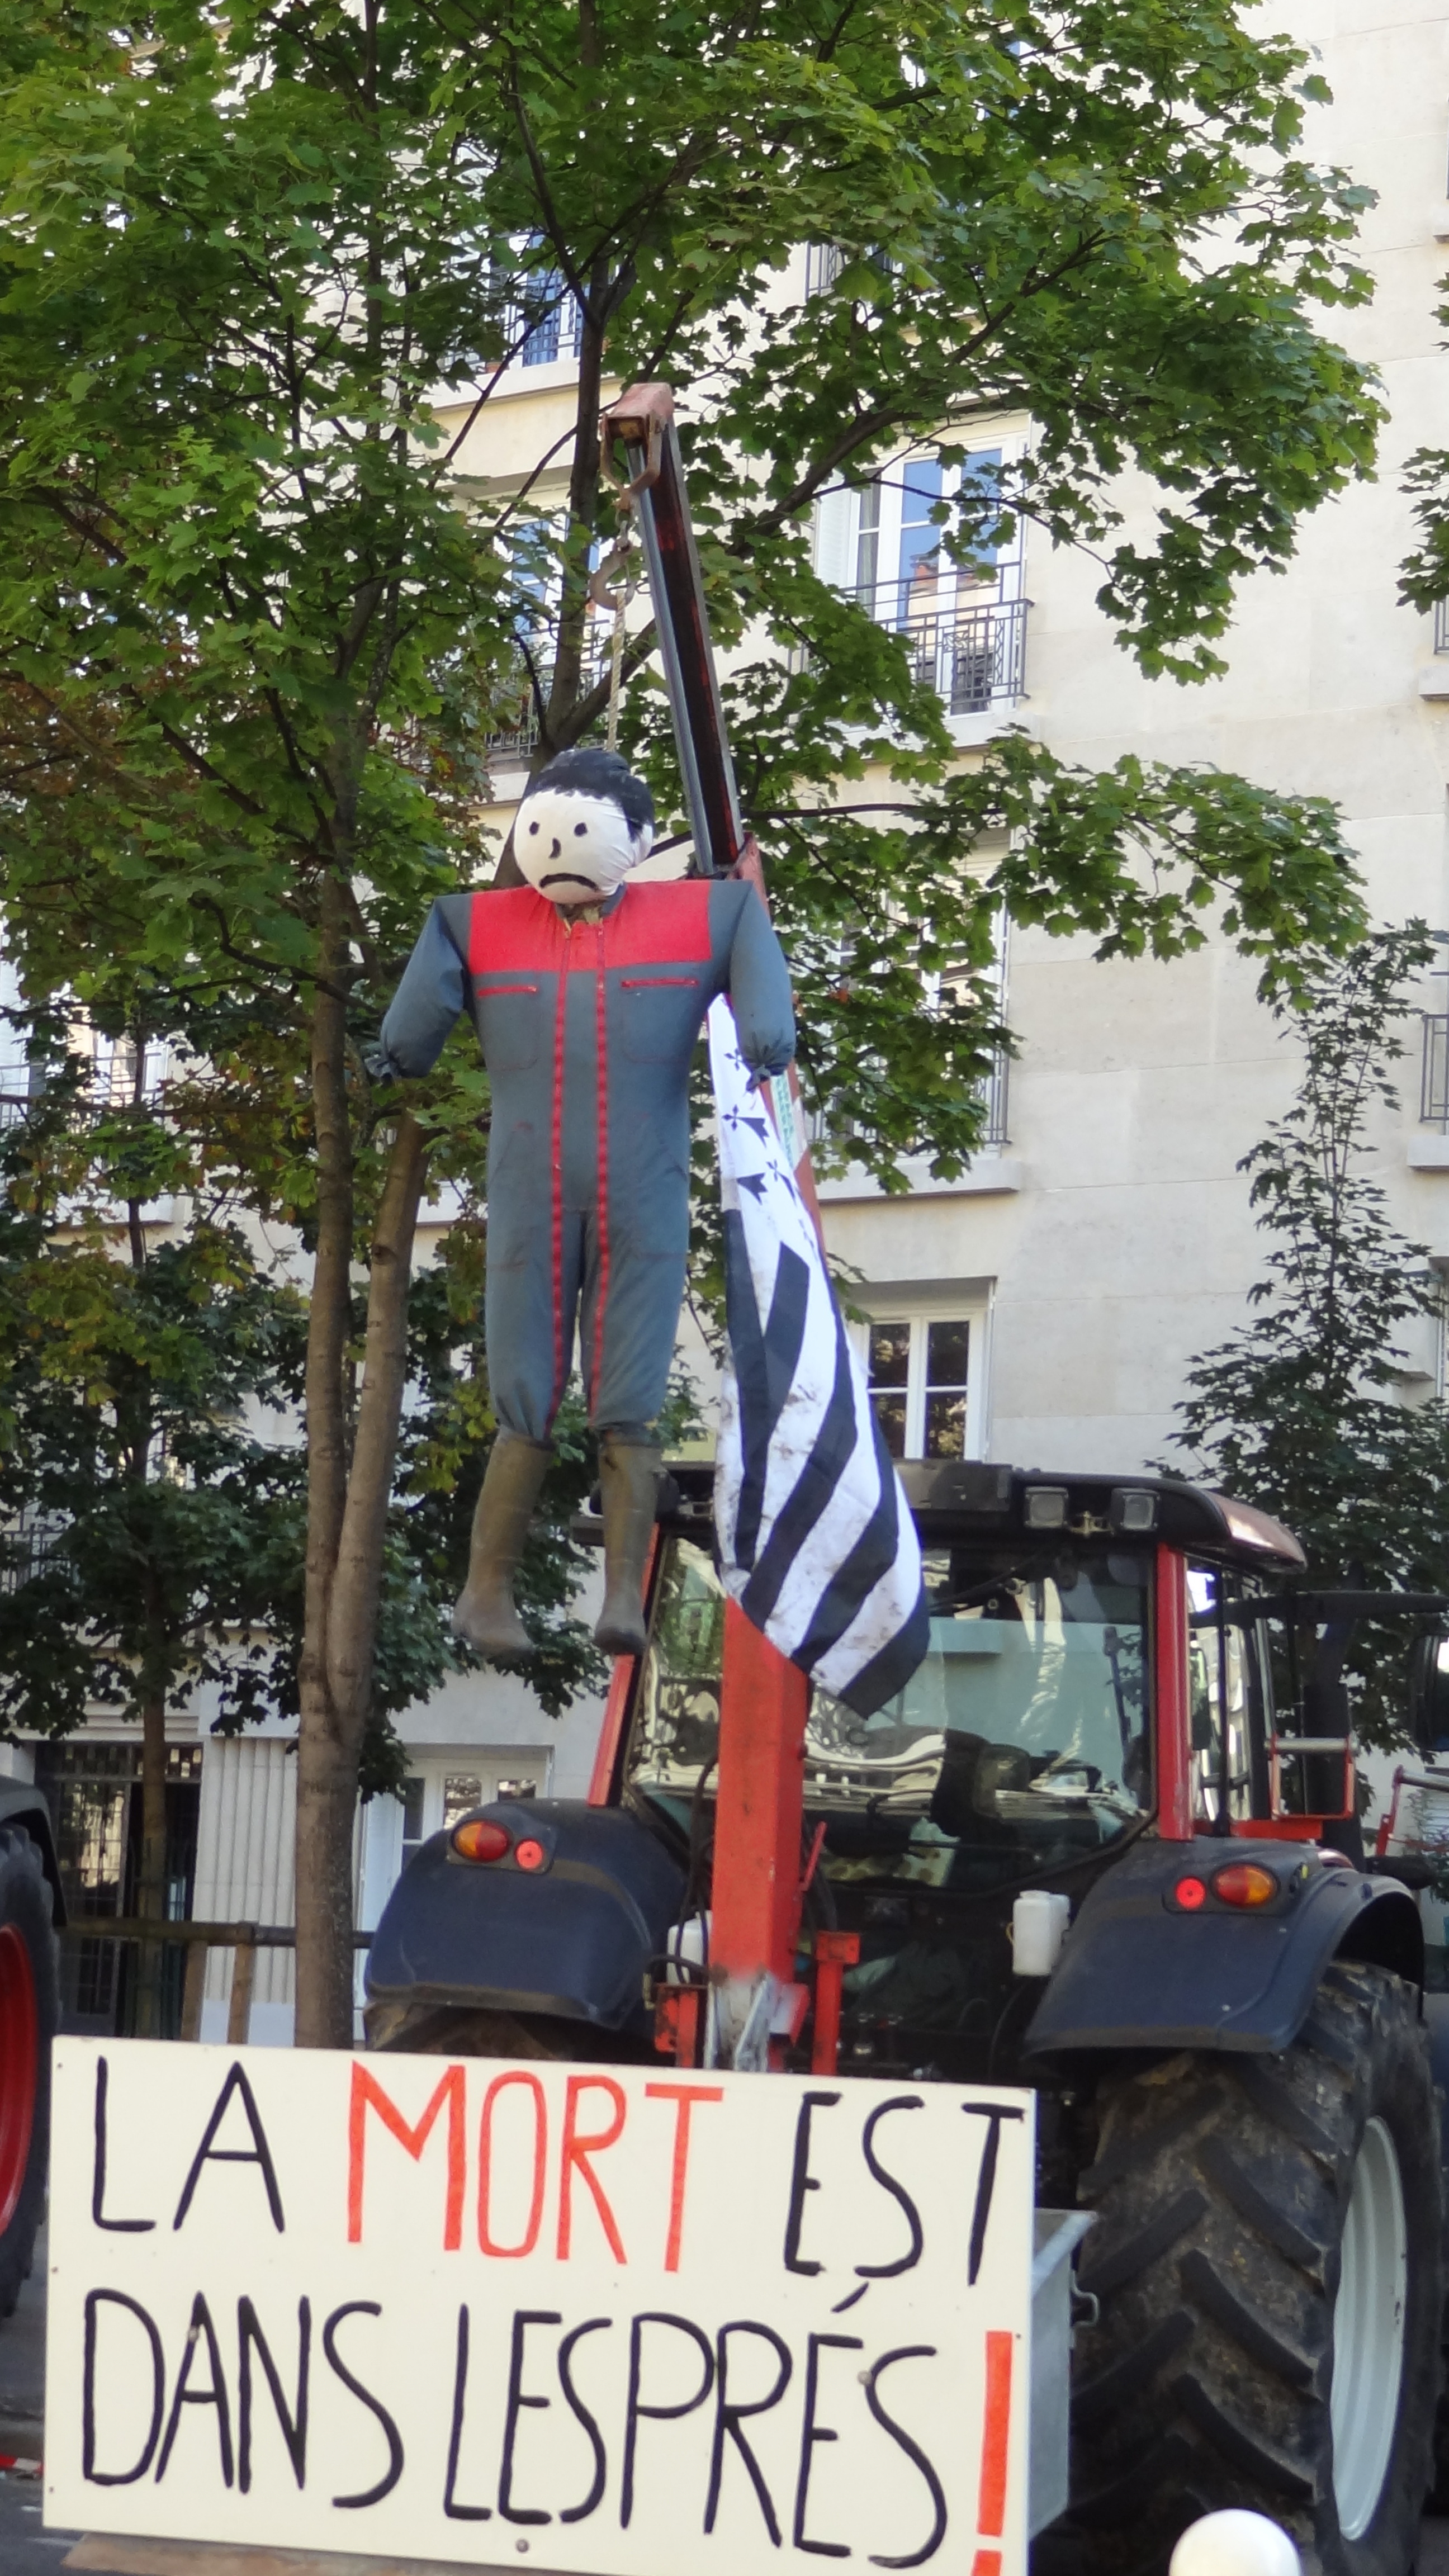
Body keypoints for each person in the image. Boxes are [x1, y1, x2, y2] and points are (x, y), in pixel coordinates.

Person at [371, 747, 796, 1660]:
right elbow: (414, 1023)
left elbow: (754, 962)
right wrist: (400, 1046)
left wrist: (769, 1030)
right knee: (525, 1381)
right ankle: (485, 1594)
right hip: (531, 1191)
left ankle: (621, 1599)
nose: (558, 845)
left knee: (628, 1386)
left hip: (642, 1189)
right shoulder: (472, 923)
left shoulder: (706, 914)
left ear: (637, 840)